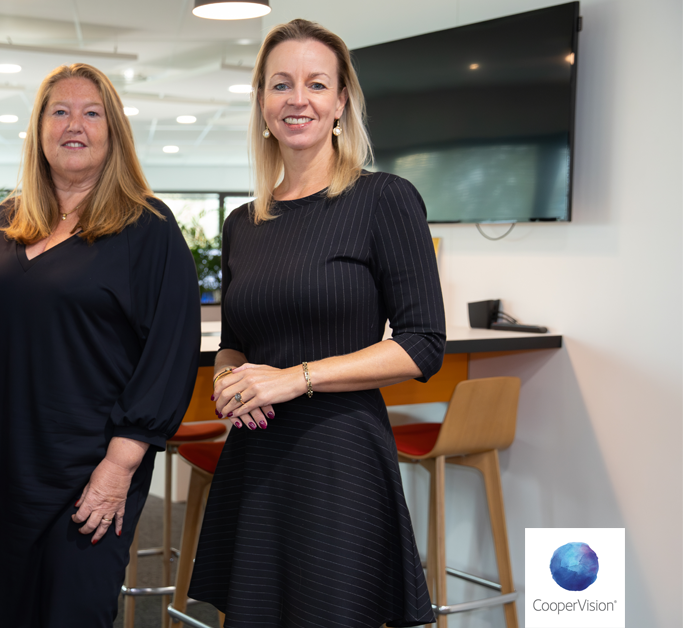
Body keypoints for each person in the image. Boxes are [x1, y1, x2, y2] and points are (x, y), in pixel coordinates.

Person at [188, 19, 444, 628]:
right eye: (281, 84)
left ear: (341, 102)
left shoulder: (384, 198)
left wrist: (294, 378)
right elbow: (235, 344)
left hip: (340, 456)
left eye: (316, 84)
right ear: (262, 102)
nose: (296, 99)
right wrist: (228, 379)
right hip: (257, 456)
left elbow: (423, 344)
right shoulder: (243, 223)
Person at [0, 63, 201, 627]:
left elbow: (170, 353)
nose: (75, 124)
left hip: (96, 464)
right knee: (13, 612)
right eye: (60, 111)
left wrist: (119, 466)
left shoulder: (148, 226)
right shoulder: (3, 223)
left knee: (76, 612)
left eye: (92, 113)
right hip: (12, 463)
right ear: (39, 129)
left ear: (113, 130)